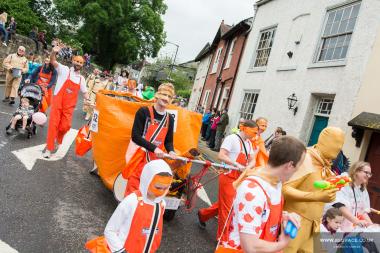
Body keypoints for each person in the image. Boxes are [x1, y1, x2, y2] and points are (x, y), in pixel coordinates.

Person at [216, 136, 306, 253]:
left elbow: (264, 214)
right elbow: (251, 247)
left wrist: (283, 216)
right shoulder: (253, 191)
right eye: (300, 165)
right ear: (289, 165)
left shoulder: (275, 182)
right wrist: (283, 243)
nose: (299, 170)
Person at [85, 159, 173, 253]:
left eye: (166, 188)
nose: (161, 192)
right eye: (158, 187)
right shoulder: (132, 201)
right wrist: (120, 250)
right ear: (146, 181)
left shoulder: (161, 204)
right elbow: (110, 230)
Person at [282, 127, 345, 253]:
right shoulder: (306, 159)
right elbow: (284, 189)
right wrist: (316, 196)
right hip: (295, 222)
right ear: (324, 141)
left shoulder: (325, 165)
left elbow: (316, 189)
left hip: (313, 225)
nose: (339, 147)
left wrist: (331, 190)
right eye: (336, 142)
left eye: (341, 144)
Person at [198, 120, 259, 242]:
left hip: (240, 178)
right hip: (228, 177)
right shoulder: (232, 139)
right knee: (228, 208)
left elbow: (252, 159)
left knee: (226, 203)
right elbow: (221, 155)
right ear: (245, 129)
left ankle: (203, 214)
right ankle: (222, 240)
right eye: (254, 132)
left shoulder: (249, 143)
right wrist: (236, 164)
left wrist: (249, 166)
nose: (256, 135)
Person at [122, 83, 177, 195]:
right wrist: (155, 148)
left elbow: (168, 141)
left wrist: (171, 150)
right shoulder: (143, 112)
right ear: (157, 95)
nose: (166, 98)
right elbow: (135, 136)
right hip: (139, 156)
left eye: (169, 96)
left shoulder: (170, 119)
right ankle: (129, 209)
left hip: (155, 159)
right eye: (164, 94)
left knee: (149, 191)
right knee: (133, 189)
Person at [42, 45, 89, 158]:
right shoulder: (64, 69)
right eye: (76, 61)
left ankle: (59, 139)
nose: (78, 63)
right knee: (53, 125)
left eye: (80, 62)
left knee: (65, 126)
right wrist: (53, 52)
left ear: (82, 65)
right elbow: (53, 61)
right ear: (73, 61)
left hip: (69, 107)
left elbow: (85, 92)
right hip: (58, 102)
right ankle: (49, 148)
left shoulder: (81, 79)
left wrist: (88, 100)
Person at [328, 161, 376, 232]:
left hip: (348, 227)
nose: (368, 176)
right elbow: (339, 205)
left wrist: (372, 226)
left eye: (370, 174)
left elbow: (363, 211)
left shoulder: (363, 190)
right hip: (333, 223)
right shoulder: (343, 181)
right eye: (366, 172)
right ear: (356, 171)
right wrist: (356, 221)